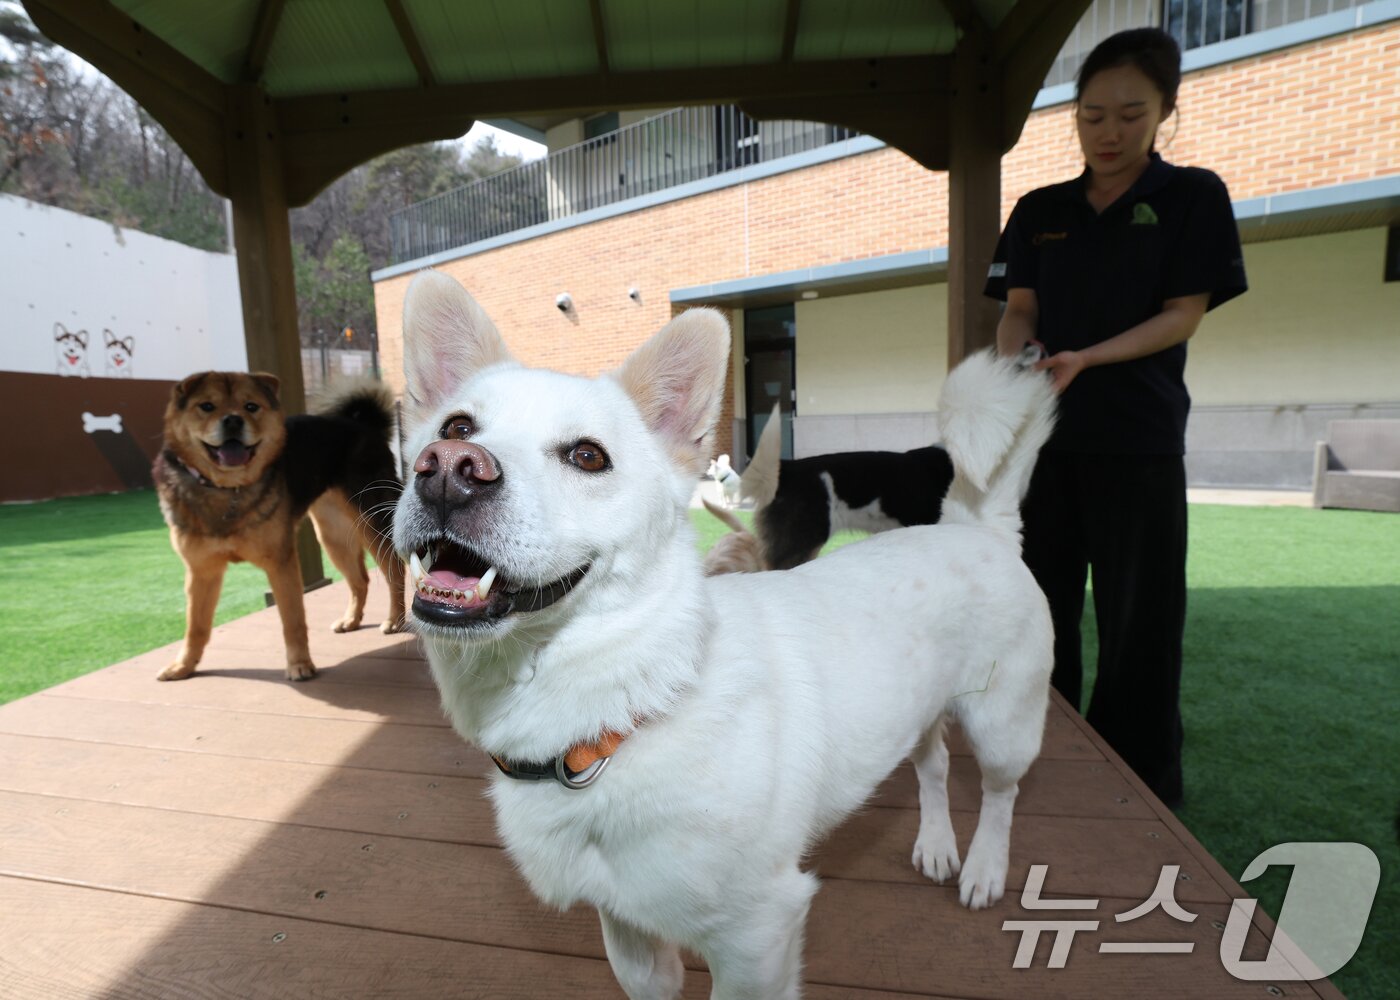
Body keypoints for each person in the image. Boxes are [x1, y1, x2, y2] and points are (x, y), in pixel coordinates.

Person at [984, 27, 1248, 808]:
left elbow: (1183, 314)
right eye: (1092, 116)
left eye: (1131, 115)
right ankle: (1033, 757)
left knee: (1141, 622)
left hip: (1139, 445)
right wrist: (1018, 358)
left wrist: (1087, 359)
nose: (1109, 132)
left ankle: (1140, 787)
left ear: (1165, 111)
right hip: (1046, 446)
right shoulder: (1041, 210)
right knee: (1037, 609)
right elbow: (1018, 309)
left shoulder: (1193, 197)